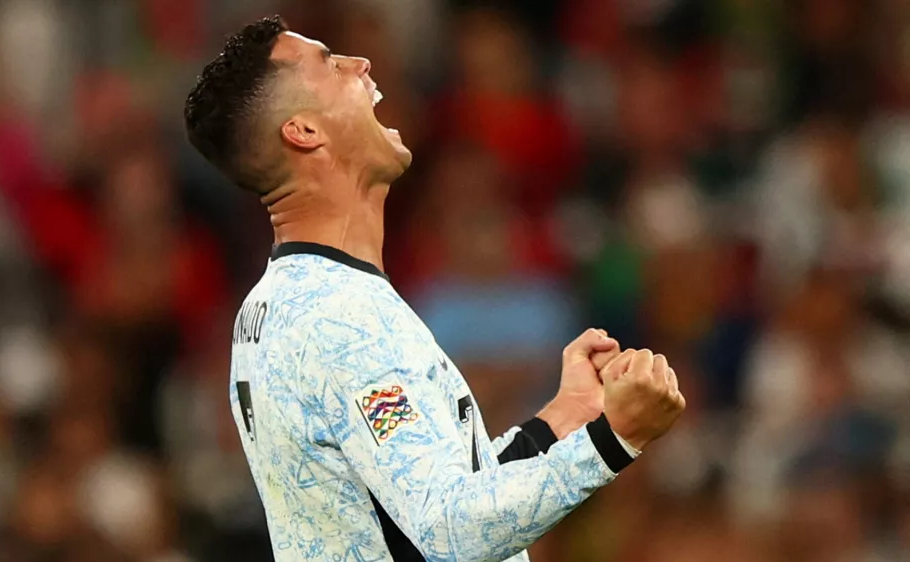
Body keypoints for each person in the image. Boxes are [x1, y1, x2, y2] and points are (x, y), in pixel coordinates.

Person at [182, 15, 685, 562]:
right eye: (330, 62)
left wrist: (564, 417)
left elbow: (422, 505)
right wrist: (613, 438)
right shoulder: (338, 314)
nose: (361, 63)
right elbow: (451, 534)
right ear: (304, 130)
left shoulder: (275, 305)